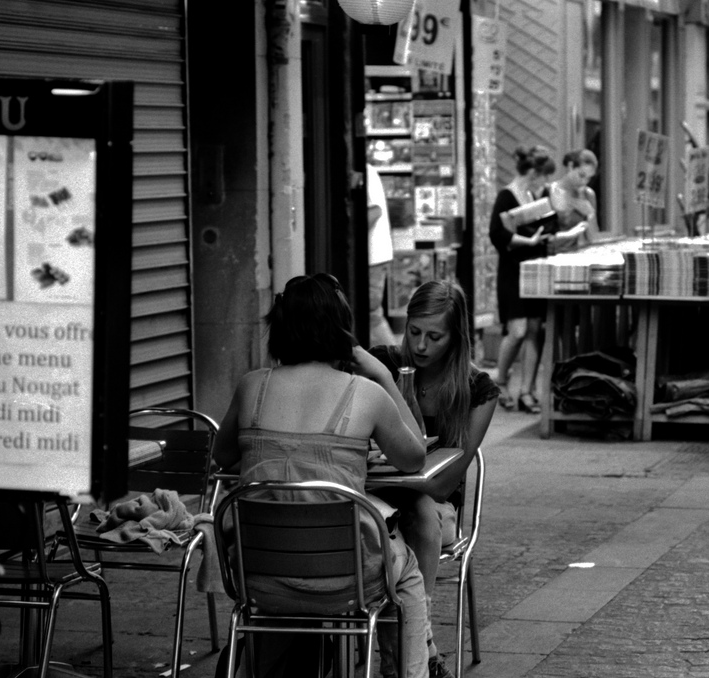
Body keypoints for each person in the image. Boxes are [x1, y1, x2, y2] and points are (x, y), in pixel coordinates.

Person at [212, 273, 431, 678]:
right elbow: (414, 455)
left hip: (259, 579)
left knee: (285, 573)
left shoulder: (251, 387)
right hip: (348, 582)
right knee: (408, 577)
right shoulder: (364, 393)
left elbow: (221, 456)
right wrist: (382, 374)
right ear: (340, 328)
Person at [369, 280, 499, 678]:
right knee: (379, 527)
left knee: (417, 514)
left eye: (434, 336)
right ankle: (418, 650)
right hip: (377, 499)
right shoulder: (382, 364)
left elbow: (444, 484)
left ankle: (409, 649)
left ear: (455, 338)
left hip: (437, 509)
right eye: (414, 332)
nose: (421, 345)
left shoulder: (477, 389)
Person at [488, 145, 554, 414]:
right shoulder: (507, 196)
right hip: (513, 270)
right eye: (543, 177)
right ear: (532, 174)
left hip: (535, 268)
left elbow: (552, 226)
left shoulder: (540, 196)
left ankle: (528, 390)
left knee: (535, 329)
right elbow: (497, 234)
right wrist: (527, 240)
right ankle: (500, 382)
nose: (545, 183)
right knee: (517, 329)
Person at [544, 149, 600, 253]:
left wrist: (590, 214)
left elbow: (593, 238)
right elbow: (544, 238)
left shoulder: (588, 194)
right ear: (570, 166)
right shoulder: (550, 191)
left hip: (573, 255)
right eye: (581, 175)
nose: (584, 182)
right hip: (550, 255)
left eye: (589, 178)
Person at [368, 164, 398, 347]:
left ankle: (397, 366)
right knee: (371, 315)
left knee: (371, 315)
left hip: (372, 258)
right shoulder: (368, 170)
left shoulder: (366, 171)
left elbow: (374, 211)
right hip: (374, 257)